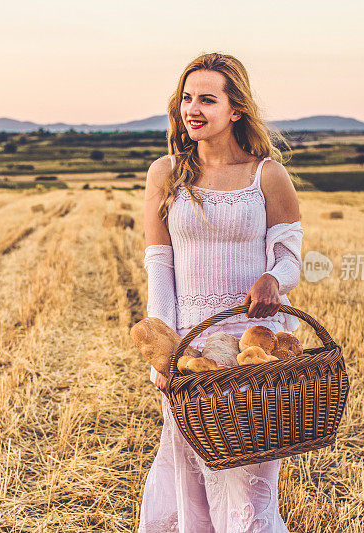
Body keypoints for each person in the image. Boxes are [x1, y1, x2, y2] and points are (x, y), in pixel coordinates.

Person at [138, 52, 304, 533]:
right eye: (187, 98)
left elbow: (290, 258)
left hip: (255, 347)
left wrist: (274, 279)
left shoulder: (266, 175)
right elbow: (159, 262)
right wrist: (164, 350)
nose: (193, 108)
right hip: (194, 347)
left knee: (248, 485)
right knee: (190, 477)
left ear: (236, 109)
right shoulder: (165, 173)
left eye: (207, 99)